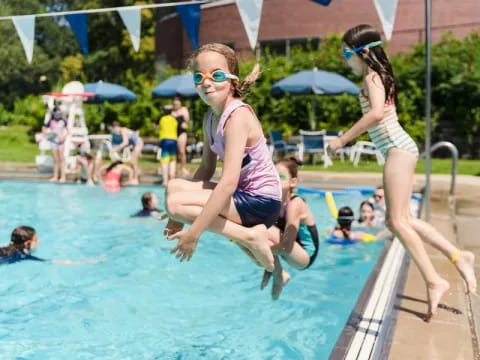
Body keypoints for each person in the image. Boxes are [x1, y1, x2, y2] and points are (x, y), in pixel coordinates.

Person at [328, 24, 476, 320]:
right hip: (399, 148)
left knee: (395, 220)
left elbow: (376, 113)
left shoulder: (372, 76)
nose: (345, 60)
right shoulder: (378, 75)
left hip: (397, 148)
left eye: (347, 53)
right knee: (405, 219)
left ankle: (435, 280)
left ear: (363, 52)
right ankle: (460, 257)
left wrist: (343, 139)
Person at [162, 43, 282, 272]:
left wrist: (193, 233)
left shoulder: (238, 117)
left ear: (232, 80)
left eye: (216, 75)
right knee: (173, 187)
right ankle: (253, 243)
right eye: (199, 77)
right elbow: (206, 168)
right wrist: (175, 216)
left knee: (176, 202)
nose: (206, 82)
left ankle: (249, 236)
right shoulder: (210, 118)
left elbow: (227, 183)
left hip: (263, 202)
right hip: (243, 196)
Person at [259, 158, 319, 300]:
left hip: (305, 256)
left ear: (293, 182)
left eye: (280, 176)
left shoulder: (295, 204)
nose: (274, 179)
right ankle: (278, 274)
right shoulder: (274, 202)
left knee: (261, 232)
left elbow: (286, 245)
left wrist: (261, 253)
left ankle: (278, 275)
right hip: (289, 250)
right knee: (258, 227)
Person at [0, 226, 99, 265]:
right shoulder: (22, 255)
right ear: (28, 243)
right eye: (36, 239)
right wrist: (87, 261)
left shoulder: (8, 247)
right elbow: (51, 262)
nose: (38, 241)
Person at [43, 106, 67, 182]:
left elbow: (68, 131)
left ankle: (63, 176)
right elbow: (44, 130)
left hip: (61, 142)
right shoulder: (50, 121)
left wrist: (64, 137)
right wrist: (52, 133)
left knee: (62, 159)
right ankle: (55, 176)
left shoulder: (63, 121)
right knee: (56, 160)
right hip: (53, 142)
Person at [158, 105, 178, 185]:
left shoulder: (162, 119)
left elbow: (159, 128)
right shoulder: (174, 119)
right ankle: (172, 179)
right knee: (172, 160)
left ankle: (165, 180)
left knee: (164, 160)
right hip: (173, 140)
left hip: (164, 140)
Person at [171, 96, 190, 176]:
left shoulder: (184, 109)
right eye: (174, 102)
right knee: (173, 153)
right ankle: (173, 169)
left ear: (180, 103)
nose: (175, 104)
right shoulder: (171, 111)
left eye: (177, 102)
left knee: (182, 152)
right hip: (173, 132)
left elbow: (186, 122)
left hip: (182, 132)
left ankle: (183, 168)